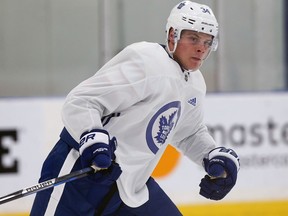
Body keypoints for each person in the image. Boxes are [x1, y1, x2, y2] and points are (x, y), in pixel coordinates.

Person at [31, 1, 240, 215]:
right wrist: (92, 136)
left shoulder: (195, 84)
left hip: (130, 189)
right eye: (193, 38)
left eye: (207, 42)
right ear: (172, 35)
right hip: (81, 173)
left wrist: (211, 154)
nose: (201, 48)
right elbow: (81, 101)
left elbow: (188, 133)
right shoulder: (147, 62)